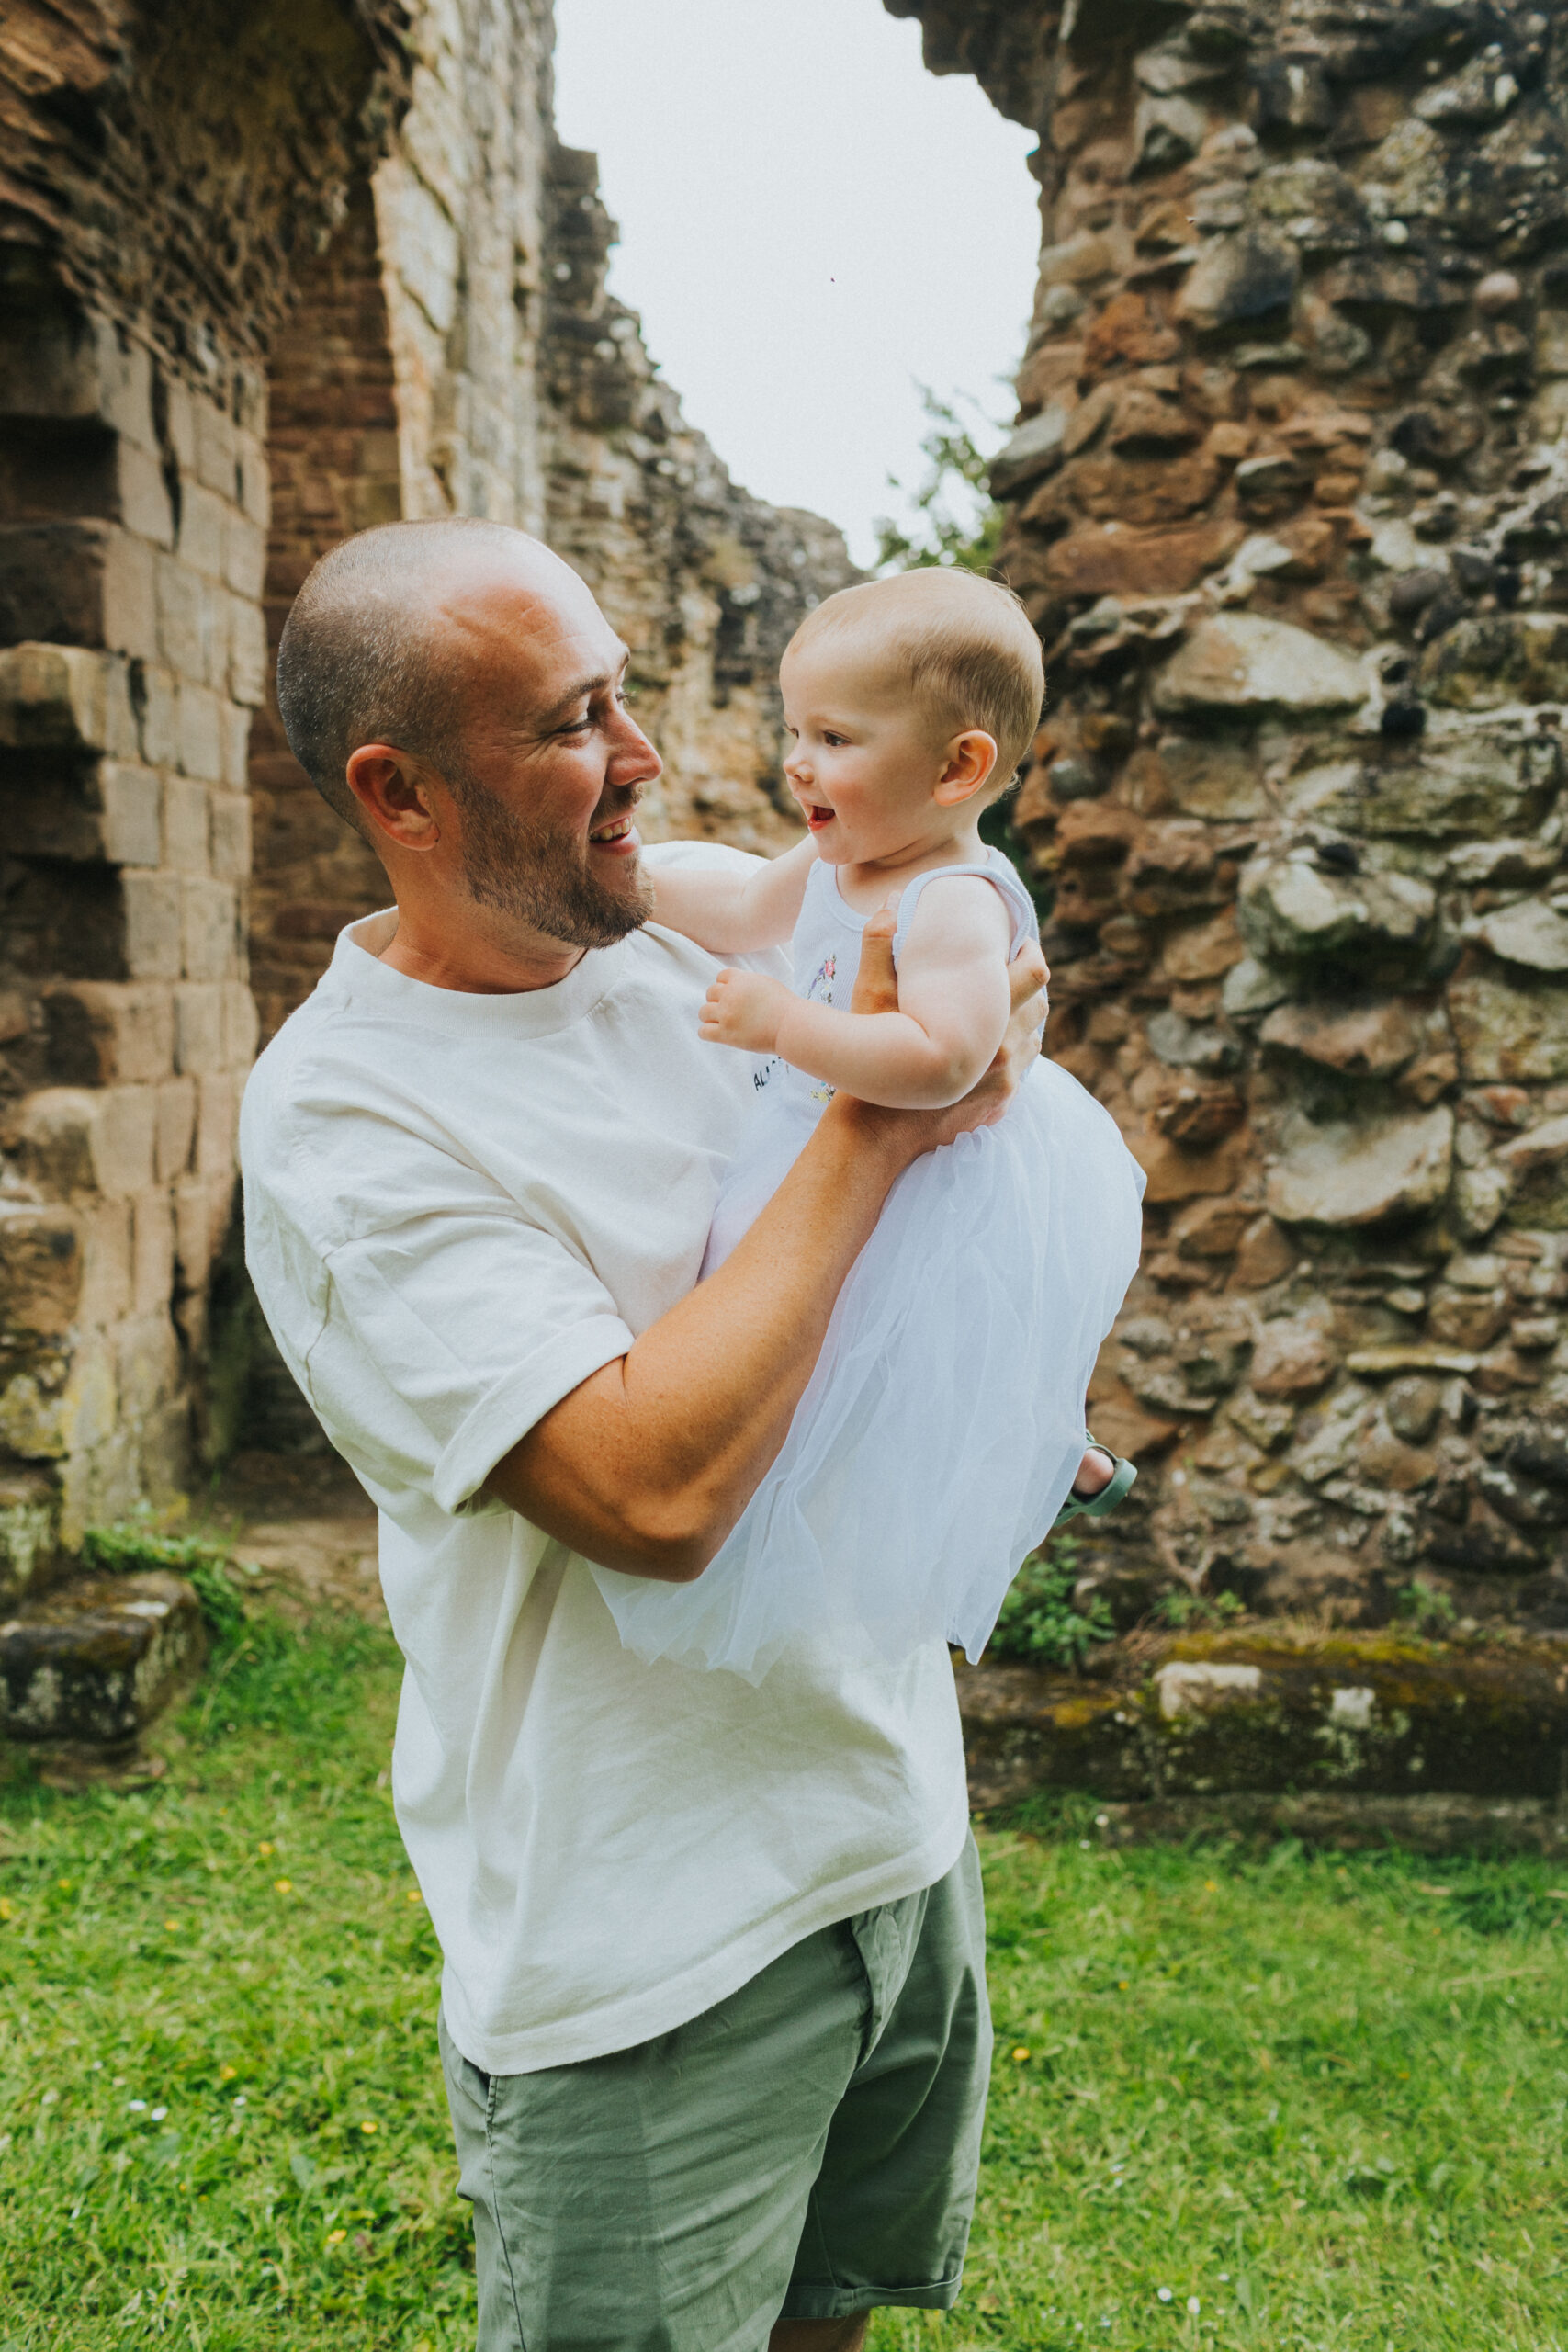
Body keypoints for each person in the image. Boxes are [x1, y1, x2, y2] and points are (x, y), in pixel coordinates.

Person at [240, 516, 1053, 2352]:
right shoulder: (346, 1116)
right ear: (403, 789)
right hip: (645, 1938)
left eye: (622, 692)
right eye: (572, 720)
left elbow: (843, 1292)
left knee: (826, 2320)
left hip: (886, 1830)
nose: (645, 760)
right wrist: (885, 1113)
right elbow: (651, 1487)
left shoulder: (640, 937)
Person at [592, 569, 1143, 1682]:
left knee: (901, 1346)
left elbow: (945, 1063)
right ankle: (1048, 1448)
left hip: (929, 1164)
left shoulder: (950, 901)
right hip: (818, 1125)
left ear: (958, 767)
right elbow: (748, 905)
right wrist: (624, 885)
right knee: (825, 1326)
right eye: (796, 729)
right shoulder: (849, 856)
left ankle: (1045, 1454)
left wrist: (785, 1021)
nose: (799, 761)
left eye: (837, 737)